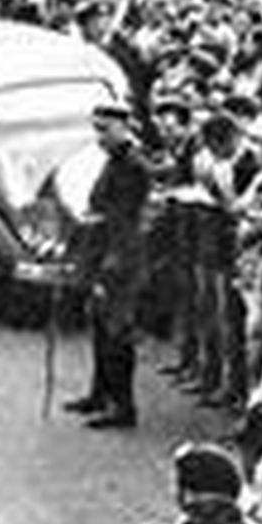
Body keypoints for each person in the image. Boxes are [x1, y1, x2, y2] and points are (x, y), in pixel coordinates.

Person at [64, 103, 155, 430]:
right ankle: (100, 393)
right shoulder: (116, 163)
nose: (99, 137)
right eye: (96, 129)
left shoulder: (133, 167)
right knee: (101, 328)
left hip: (120, 262)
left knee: (117, 334)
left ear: (123, 127)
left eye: (105, 129)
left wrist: (108, 267)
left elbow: (126, 223)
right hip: (105, 255)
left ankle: (123, 407)